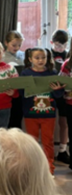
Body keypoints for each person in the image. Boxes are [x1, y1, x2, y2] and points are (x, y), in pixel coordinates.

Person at [20, 47, 64, 175]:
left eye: (43, 57)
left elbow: (59, 94)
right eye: (37, 58)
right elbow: (22, 94)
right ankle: (32, 169)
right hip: (30, 114)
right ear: (30, 59)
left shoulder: (52, 73)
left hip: (48, 114)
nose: (40, 60)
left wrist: (56, 89)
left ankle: (49, 169)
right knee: (32, 142)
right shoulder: (26, 74)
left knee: (48, 141)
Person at [51, 29, 70, 165]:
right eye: (57, 45)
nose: (59, 48)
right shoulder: (46, 54)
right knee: (49, 121)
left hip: (66, 95)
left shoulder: (67, 57)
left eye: (62, 46)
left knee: (64, 122)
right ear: (52, 42)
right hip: (52, 91)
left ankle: (63, 150)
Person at [5, 30, 25, 130]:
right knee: (7, 121)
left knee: (17, 120)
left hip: (20, 92)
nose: (16, 48)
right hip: (6, 92)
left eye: (19, 45)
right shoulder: (2, 56)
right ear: (6, 43)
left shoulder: (24, 55)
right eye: (13, 45)